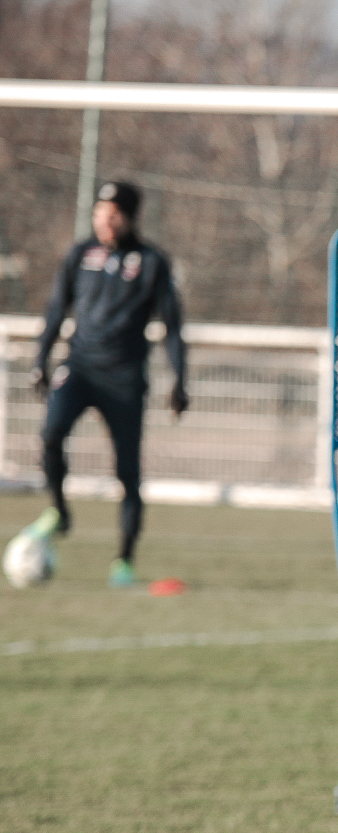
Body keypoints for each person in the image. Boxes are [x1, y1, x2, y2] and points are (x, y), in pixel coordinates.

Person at [28, 180, 187, 587]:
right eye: (100, 212)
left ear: (130, 217)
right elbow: (55, 309)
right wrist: (40, 359)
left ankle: (124, 561)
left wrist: (179, 379)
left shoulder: (151, 262)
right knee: (50, 434)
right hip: (79, 368)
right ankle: (60, 511)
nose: (105, 220)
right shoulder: (80, 254)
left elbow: (172, 327)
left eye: (114, 214)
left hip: (124, 378)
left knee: (127, 472)